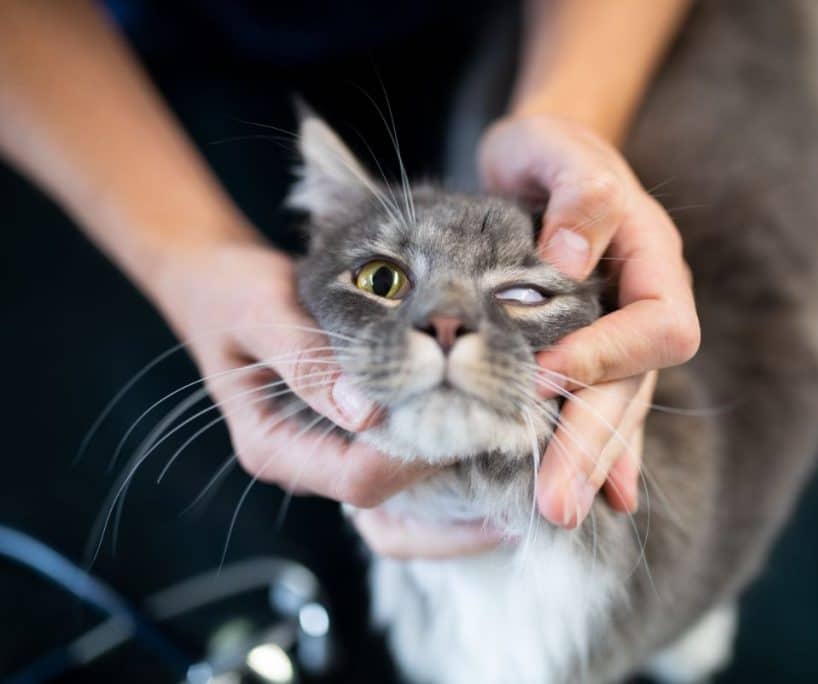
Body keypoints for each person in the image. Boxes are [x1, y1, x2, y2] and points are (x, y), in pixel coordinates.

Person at [0, 0, 699, 559]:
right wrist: (183, 255)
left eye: (521, 292)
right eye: (384, 279)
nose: (443, 323)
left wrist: (570, 130)